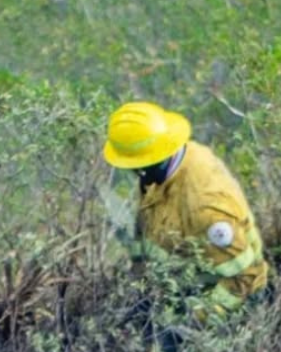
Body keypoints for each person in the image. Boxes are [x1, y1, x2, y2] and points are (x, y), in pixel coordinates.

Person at [102, 101, 270, 322]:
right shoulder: (161, 170)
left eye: (135, 164)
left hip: (226, 303)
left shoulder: (205, 207)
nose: (133, 171)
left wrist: (195, 318)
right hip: (175, 288)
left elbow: (246, 277)